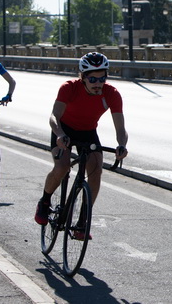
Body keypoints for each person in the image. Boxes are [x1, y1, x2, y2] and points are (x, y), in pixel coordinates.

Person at [34, 52, 128, 240]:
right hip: (64, 130)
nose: (98, 83)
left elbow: (121, 128)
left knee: (96, 171)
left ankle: (82, 221)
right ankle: (44, 201)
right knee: (61, 167)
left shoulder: (112, 94)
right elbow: (54, 117)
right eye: (92, 79)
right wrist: (60, 134)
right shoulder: (69, 88)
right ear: (83, 77)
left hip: (88, 132)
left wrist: (121, 145)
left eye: (102, 78)